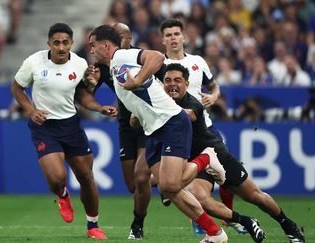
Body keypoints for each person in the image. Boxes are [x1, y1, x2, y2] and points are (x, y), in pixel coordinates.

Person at [89, 24, 228, 243]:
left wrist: (137, 79)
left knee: (169, 185)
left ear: (105, 45)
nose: (90, 50)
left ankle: (206, 159)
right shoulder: (112, 67)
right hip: (151, 125)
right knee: (162, 186)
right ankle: (215, 233)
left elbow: (155, 57)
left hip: (170, 123)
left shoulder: (121, 56)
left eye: (92, 45)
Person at [161, 63, 305, 243]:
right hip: (197, 162)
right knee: (201, 199)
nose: (172, 84)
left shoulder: (192, 104)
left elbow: (184, 116)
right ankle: (245, 221)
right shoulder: (162, 103)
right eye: (167, 80)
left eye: (177, 80)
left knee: (255, 196)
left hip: (216, 154)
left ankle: (288, 225)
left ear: (187, 84)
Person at [10, 23, 116, 240]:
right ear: (49, 43)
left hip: (71, 125)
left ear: (71, 44)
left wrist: (99, 107)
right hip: (45, 126)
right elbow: (16, 88)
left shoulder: (79, 64)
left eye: (65, 42)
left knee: (86, 177)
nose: (60, 47)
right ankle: (62, 194)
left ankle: (93, 226)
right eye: (56, 42)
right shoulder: (34, 62)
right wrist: (31, 110)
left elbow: (82, 96)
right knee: (57, 178)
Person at [159, 18, 244, 234]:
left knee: (225, 172)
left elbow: (214, 86)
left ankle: (227, 216)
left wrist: (214, 97)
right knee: (184, 179)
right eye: (168, 35)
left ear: (184, 36)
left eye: (176, 34)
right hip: (176, 129)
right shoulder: (159, 66)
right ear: (163, 40)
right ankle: (200, 219)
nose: (173, 38)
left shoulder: (198, 61)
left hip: (204, 126)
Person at [84, 22, 153, 240]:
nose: (118, 39)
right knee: (133, 185)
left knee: (141, 177)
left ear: (129, 38)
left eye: (121, 36)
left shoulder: (137, 57)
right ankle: (169, 178)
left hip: (147, 122)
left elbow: (158, 73)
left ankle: (137, 224)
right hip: (126, 124)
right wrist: (90, 84)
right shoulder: (104, 65)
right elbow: (87, 93)